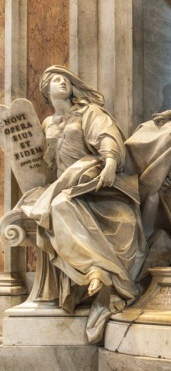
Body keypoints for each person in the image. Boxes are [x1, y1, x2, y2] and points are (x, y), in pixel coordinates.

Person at [20, 65, 148, 343]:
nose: (62, 82)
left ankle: (103, 274)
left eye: (66, 79)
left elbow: (107, 137)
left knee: (59, 203)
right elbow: (44, 163)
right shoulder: (47, 124)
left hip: (96, 184)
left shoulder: (89, 111)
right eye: (55, 80)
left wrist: (111, 162)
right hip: (65, 190)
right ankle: (96, 269)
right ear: (46, 92)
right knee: (59, 206)